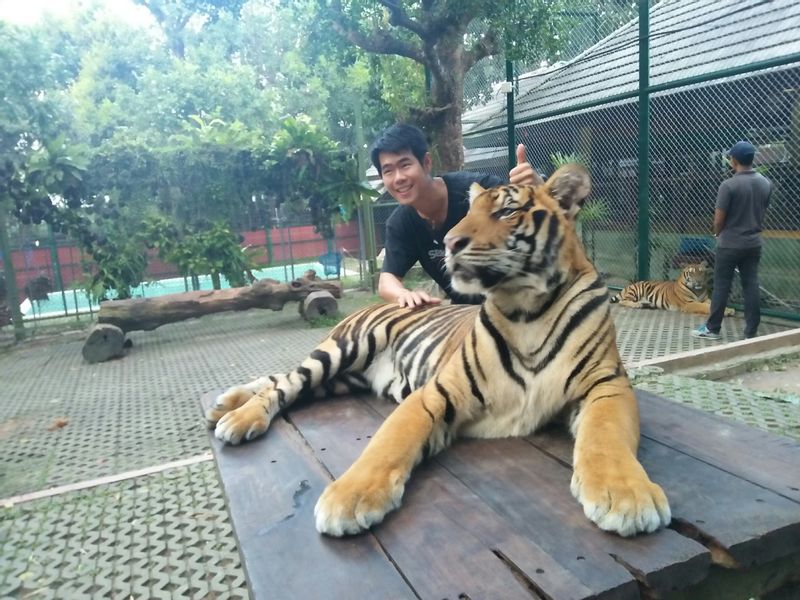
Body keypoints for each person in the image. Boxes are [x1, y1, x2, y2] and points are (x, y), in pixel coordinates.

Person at [373, 123, 542, 307]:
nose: (398, 178)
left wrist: (536, 185)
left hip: (520, 303)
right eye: (388, 171)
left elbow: (542, 210)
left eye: (405, 165)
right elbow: (386, 281)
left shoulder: (477, 189)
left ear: (426, 163)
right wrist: (402, 295)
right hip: (463, 314)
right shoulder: (400, 223)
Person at [692, 140, 772, 340]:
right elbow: (763, 209)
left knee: (722, 285)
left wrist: (717, 233)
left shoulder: (728, 185)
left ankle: (712, 328)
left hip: (729, 244)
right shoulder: (765, 183)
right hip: (754, 243)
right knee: (751, 283)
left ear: (733, 160)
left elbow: (719, 220)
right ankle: (751, 331)